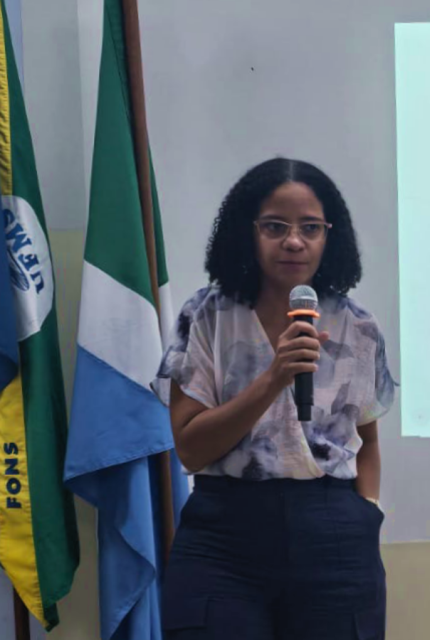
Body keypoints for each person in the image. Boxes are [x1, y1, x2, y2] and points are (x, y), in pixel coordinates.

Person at [152, 158, 396, 639]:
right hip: (225, 535)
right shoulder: (207, 316)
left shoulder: (359, 326)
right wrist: (273, 378)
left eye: (311, 227)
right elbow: (190, 449)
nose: (294, 241)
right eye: (275, 226)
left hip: (334, 533)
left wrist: (368, 510)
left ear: (330, 236)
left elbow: (366, 441)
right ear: (249, 231)